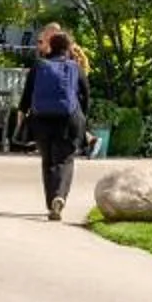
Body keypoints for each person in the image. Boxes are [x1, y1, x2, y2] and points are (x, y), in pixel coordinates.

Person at [23, 27, 88, 221]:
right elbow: (86, 94)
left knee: (48, 160)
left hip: (41, 120)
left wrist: (22, 113)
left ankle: (51, 200)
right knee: (65, 160)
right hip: (68, 120)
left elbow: (27, 95)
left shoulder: (39, 65)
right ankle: (59, 197)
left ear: (51, 46)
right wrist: (83, 117)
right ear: (68, 48)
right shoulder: (75, 67)